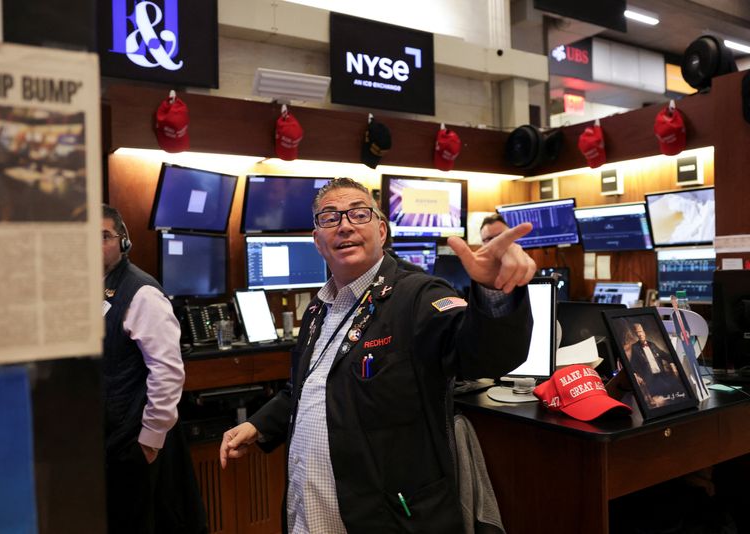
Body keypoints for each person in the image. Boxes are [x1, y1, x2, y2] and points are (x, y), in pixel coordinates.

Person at [220, 178, 536, 533]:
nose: (344, 226)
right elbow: (310, 385)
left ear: (381, 231)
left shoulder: (418, 295)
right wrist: (258, 424)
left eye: (358, 214)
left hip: (389, 516)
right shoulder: (318, 309)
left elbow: (483, 357)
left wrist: (493, 293)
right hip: (310, 510)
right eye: (330, 217)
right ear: (318, 241)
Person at [102, 204, 206, 534]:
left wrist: (150, 440)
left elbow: (168, 372)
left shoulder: (142, 292)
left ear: (124, 241)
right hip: (105, 442)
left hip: (134, 442)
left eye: (103, 236)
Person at [629, 322, 681, 405]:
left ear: (644, 332)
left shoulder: (652, 344)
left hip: (662, 375)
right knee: (660, 401)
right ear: (636, 335)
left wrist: (672, 364)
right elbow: (632, 364)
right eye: (637, 332)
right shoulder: (635, 347)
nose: (640, 334)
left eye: (640, 331)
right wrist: (635, 375)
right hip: (650, 379)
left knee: (677, 391)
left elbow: (666, 355)